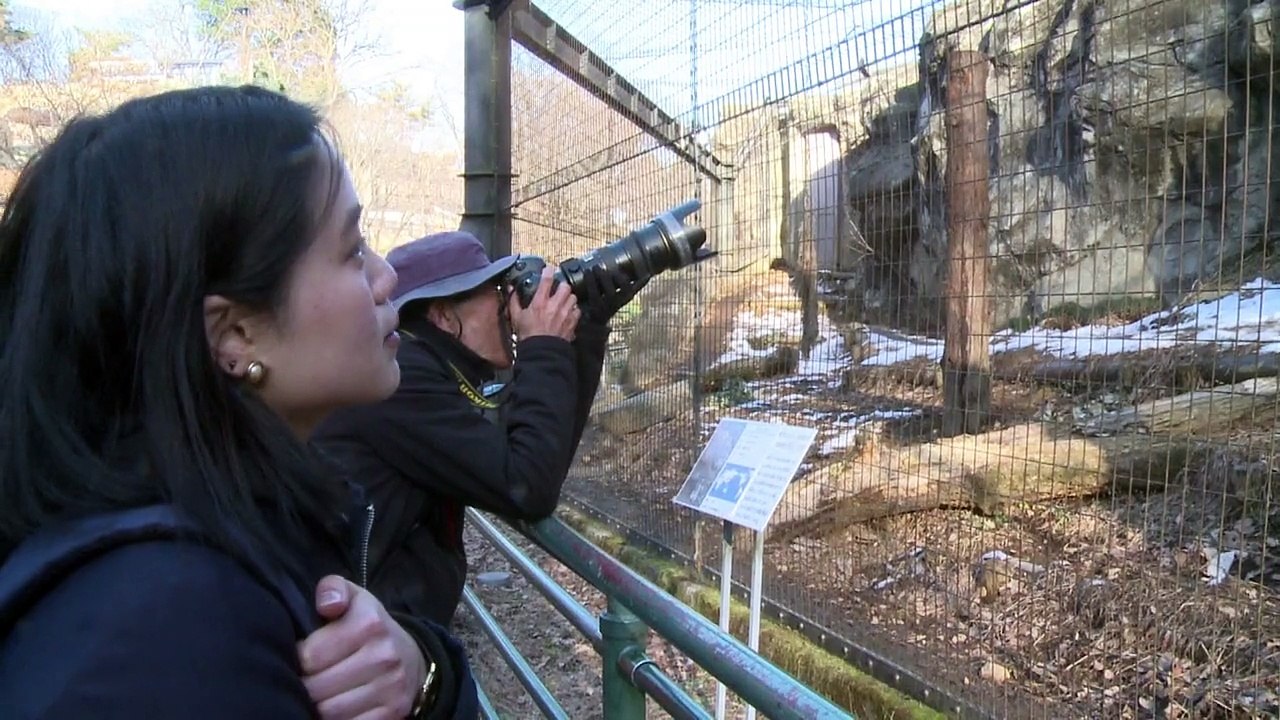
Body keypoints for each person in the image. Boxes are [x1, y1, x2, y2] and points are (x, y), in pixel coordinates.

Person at [0, 86, 477, 720]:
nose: (386, 276)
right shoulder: (164, 629)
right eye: (350, 250)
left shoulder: (232, 529)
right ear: (234, 334)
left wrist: (423, 674)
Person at [314, 231, 644, 625]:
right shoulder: (404, 381)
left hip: (382, 627)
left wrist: (585, 330)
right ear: (443, 317)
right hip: (366, 643)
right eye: (496, 291)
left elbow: (537, 456)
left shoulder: (428, 368)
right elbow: (526, 485)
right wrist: (542, 344)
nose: (510, 304)